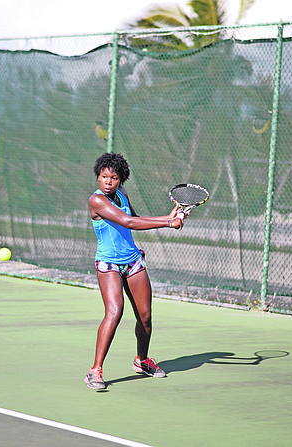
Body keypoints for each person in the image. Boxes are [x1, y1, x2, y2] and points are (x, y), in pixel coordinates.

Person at [85, 152, 185, 390]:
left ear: (121, 179)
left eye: (114, 177)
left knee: (145, 317)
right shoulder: (97, 201)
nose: (108, 181)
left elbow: (135, 218)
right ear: (98, 177)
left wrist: (167, 216)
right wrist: (169, 223)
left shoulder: (122, 195)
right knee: (115, 311)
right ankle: (95, 370)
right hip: (108, 264)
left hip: (133, 262)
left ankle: (142, 361)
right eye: (103, 176)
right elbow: (127, 223)